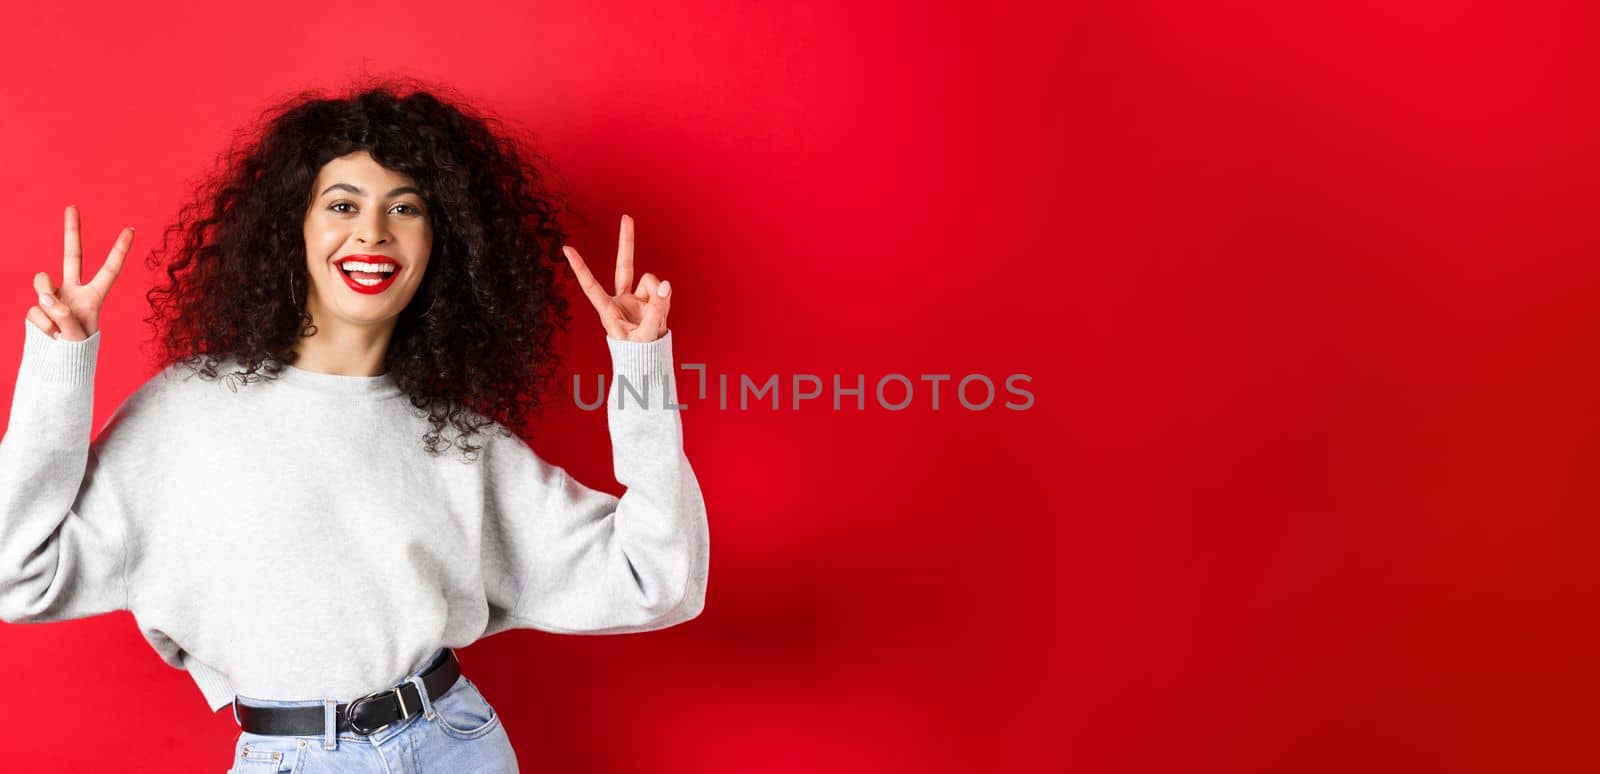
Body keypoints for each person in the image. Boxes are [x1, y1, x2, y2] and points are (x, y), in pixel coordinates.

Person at [0, 81, 709, 773]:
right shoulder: (186, 412)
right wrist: (60, 368)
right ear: (294, 228)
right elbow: (16, 575)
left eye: (405, 208)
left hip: (454, 744)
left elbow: (657, 580)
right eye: (342, 204)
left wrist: (641, 367)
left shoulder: (457, 439)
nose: (372, 231)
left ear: (441, 244)